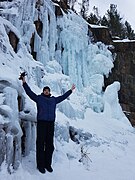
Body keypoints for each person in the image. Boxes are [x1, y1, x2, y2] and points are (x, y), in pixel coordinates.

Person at [21, 76, 75, 174]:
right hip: (42, 123)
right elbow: (29, 93)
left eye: (48, 90)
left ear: (50, 92)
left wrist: (70, 90)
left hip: (50, 124)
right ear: (43, 91)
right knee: (40, 144)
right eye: (45, 90)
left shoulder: (53, 100)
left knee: (50, 145)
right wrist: (24, 82)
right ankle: (40, 165)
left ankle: (48, 164)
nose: (46, 91)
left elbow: (62, 97)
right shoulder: (39, 98)